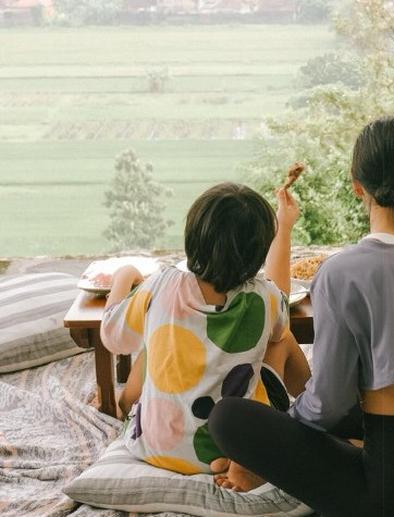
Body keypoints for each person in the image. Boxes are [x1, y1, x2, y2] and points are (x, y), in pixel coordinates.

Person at [209, 116, 394, 517]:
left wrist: (284, 428)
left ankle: (272, 466)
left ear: (357, 185)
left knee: (228, 420)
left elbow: (329, 405)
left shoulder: (340, 273)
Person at [100, 181, 310, 476]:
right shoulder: (264, 297)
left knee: (157, 337)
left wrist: (123, 275)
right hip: (234, 447)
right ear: (258, 252)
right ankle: (315, 414)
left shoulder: (162, 285)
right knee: (283, 338)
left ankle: (126, 405)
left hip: (155, 448)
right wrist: (284, 228)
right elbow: (279, 319)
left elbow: (113, 338)